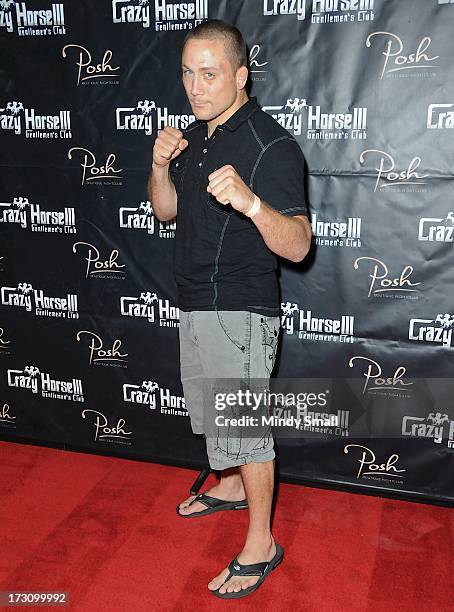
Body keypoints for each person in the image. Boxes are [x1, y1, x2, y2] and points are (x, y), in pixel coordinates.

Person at [148, 19, 311, 599]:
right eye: (189, 75)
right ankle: (236, 488)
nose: (196, 87)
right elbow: (165, 213)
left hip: (240, 311)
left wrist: (251, 202)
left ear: (241, 75)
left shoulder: (272, 145)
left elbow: (297, 245)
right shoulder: (194, 137)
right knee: (218, 426)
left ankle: (262, 543)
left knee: (245, 435)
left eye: (210, 75)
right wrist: (161, 165)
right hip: (194, 302)